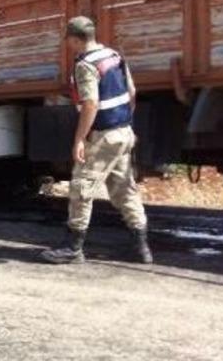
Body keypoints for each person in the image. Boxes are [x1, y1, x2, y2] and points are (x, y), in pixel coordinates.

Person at [40, 16, 152, 265]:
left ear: (75, 39)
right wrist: (125, 123)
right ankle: (141, 248)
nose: (67, 44)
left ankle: (72, 247)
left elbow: (90, 104)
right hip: (123, 132)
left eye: (68, 39)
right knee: (124, 189)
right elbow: (132, 92)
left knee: (82, 188)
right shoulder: (114, 56)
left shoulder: (85, 65)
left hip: (103, 136)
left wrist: (79, 139)